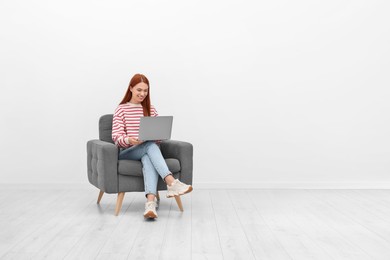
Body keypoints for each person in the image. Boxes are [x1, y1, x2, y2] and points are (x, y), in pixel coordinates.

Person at [112, 73, 193, 219]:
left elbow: (159, 135)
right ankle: (171, 181)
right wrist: (130, 140)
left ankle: (150, 205)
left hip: (146, 149)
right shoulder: (121, 109)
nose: (142, 94)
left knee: (148, 151)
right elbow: (116, 137)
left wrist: (157, 136)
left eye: (145, 90)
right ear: (131, 88)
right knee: (149, 146)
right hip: (127, 152)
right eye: (139, 90)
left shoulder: (150, 108)